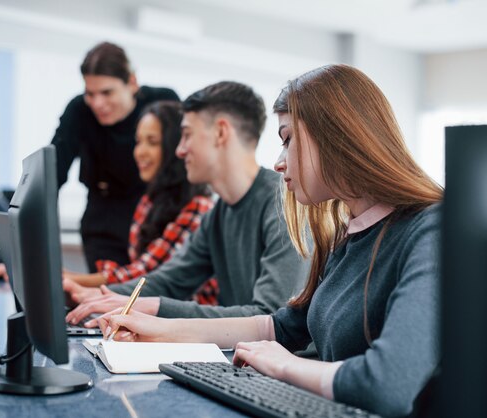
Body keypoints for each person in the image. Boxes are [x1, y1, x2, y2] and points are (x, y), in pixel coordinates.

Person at [95, 65, 443, 417]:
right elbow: (279, 327)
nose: (278, 162)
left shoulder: (431, 230)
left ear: (337, 135)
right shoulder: (351, 234)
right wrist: (161, 330)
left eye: (288, 139)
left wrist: (283, 366)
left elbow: (387, 385)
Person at [64, 81, 309, 325]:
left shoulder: (284, 202)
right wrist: (98, 296)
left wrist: (155, 307)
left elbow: (271, 317)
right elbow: (169, 280)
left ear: (221, 133)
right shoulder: (218, 214)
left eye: (187, 135)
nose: (180, 150)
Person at [63, 101, 217, 303]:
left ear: (174, 147)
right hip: (153, 310)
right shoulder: (148, 201)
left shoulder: (198, 206)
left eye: (152, 142)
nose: (140, 152)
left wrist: (72, 280)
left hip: (189, 321)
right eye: (138, 141)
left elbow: (147, 275)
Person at [52, 41, 180, 272]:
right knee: (108, 293)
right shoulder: (79, 110)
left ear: (131, 82)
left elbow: (181, 164)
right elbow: (51, 175)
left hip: (153, 213)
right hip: (102, 217)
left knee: (146, 289)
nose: (97, 103)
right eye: (90, 94)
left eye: (107, 92)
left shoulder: (162, 103)